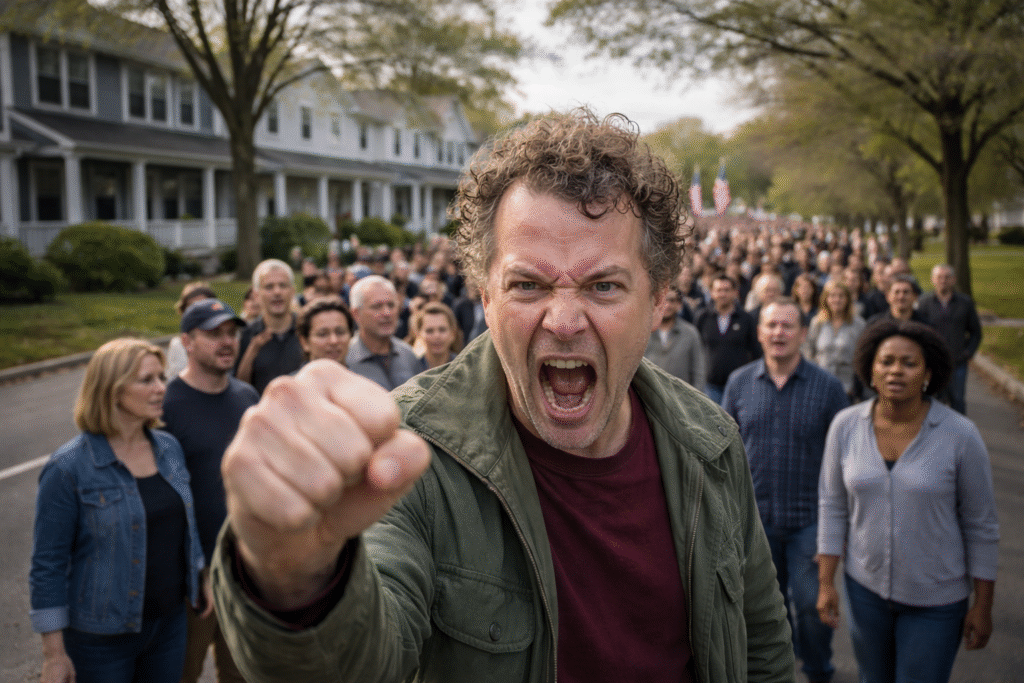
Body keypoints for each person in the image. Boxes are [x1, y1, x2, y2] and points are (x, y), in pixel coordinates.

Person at [211, 109, 794, 683]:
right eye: (528, 285)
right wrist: (296, 580)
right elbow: (362, 663)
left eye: (604, 285)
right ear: (485, 297)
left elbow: (761, 646)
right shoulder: (407, 456)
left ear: (659, 301)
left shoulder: (710, 442)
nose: (564, 320)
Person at [817, 320, 999, 683]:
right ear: (871, 368)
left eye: (909, 363)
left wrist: (983, 605)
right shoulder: (845, 425)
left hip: (936, 601)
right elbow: (832, 505)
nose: (895, 370)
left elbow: (981, 525)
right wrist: (825, 582)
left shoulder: (960, 435)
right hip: (864, 590)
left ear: (928, 373)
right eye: (886, 361)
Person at [30, 338, 207, 683]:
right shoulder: (68, 468)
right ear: (111, 390)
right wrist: (54, 655)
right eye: (147, 380)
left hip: (169, 624)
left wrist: (200, 574)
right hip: (100, 640)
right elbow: (47, 565)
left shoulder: (168, 448)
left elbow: (187, 522)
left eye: (161, 378)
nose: (161, 389)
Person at [723, 300, 848, 683]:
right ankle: (774, 671)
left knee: (811, 605)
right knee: (760, 610)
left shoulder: (828, 388)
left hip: (809, 520)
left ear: (803, 334)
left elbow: (844, 457)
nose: (779, 332)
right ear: (759, 332)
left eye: (787, 326)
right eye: (771, 325)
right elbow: (724, 449)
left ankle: (817, 668)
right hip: (754, 522)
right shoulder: (739, 383)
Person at [162, 301, 259, 683]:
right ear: (187, 341)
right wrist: (193, 570)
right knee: (180, 673)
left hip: (246, 573)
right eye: (213, 333)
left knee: (243, 675)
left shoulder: (248, 398)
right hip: (189, 581)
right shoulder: (166, 406)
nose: (227, 342)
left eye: (232, 333)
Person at [917, 264, 982, 414]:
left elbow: (975, 332)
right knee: (930, 401)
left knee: (957, 400)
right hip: (932, 363)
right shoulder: (923, 302)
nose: (943, 281)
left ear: (953, 280)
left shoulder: (965, 303)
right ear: (933, 280)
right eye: (939, 277)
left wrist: (968, 352)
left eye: (947, 277)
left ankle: (959, 435)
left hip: (957, 362)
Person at [235, 259, 305, 394]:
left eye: (283, 285)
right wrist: (252, 352)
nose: (277, 292)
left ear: (292, 291)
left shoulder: (308, 330)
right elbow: (239, 388)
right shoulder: (245, 336)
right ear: (256, 294)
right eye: (269, 287)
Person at [345, 275, 425, 389]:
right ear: (356, 314)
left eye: (391, 305)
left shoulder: (408, 355)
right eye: (377, 306)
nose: (387, 313)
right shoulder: (345, 360)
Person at [694, 274, 762, 403]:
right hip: (710, 386)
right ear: (712, 293)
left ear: (735, 293)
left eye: (726, 290)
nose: (722, 294)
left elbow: (756, 351)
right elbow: (695, 349)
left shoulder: (746, 319)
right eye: (719, 290)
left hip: (741, 385)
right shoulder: (702, 317)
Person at [805, 281, 867, 401]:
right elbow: (808, 350)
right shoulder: (817, 322)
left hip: (848, 387)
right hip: (820, 385)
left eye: (841, 296)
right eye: (832, 296)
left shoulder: (858, 324)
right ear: (826, 299)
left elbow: (863, 355)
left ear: (847, 299)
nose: (837, 299)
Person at [644, 286, 706, 387]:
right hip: (648, 396)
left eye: (672, 300)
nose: (667, 305)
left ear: (679, 305)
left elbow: (698, 370)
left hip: (681, 398)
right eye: (663, 300)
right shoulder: (644, 332)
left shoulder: (690, 333)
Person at [165, 282, 216, 380]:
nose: (199, 313)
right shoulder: (177, 345)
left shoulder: (224, 341)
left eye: (203, 306)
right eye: (192, 307)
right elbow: (171, 378)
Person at [296, 296, 354, 365]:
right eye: (323, 334)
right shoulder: (295, 376)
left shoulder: (364, 375)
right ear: (304, 342)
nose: (334, 341)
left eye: (340, 332)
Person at [406, 301, 463, 369]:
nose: (436, 336)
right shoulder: (410, 369)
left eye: (442, 330)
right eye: (429, 331)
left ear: (453, 333)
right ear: (418, 334)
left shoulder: (464, 367)